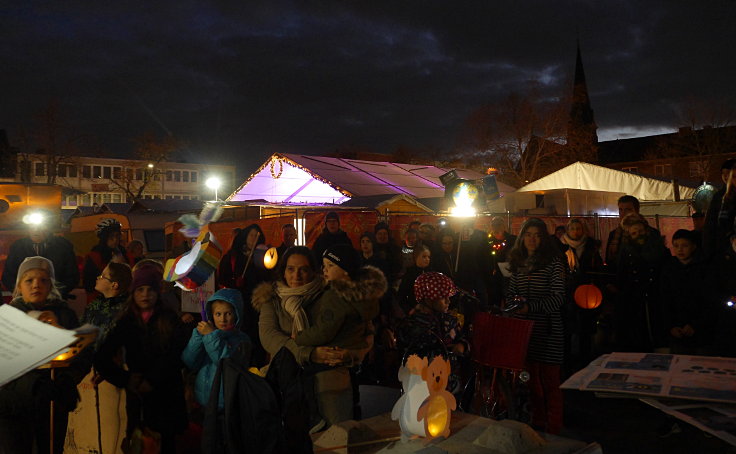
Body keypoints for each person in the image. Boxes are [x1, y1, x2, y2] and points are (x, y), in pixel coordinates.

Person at [253, 246, 380, 428]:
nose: (296, 275)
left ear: (314, 270)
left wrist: (351, 355)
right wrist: (309, 353)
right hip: (288, 382)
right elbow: (269, 337)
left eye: (303, 269)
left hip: (331, 382)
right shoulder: (272, 300)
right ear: (283, 271)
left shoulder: (332, 292)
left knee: (336, 438)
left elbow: (363, 332)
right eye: (290, 269)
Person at [94, 264, 190, 454]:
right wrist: (125, 379)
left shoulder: (169, 318)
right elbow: (102, 355)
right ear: (134, 292)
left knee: (165, 444)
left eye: (150, 290)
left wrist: (152, 380)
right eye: (140, 290)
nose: (145, 295)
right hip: (139, 397)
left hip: (166, 393)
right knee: (139, 445)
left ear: (157, 293)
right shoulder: (126, 321)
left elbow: (175, 355)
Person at [0, 257, 91, 454]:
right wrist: (35, 386)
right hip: (13, 408)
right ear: (19, 286)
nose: (36, 285)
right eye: (29, 280)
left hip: (52, 405)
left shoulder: (65, 315)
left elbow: (82, 354)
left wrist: (67, 380)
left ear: (51, 284)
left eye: (43, 280)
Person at [506, 218, 566, 435]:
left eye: (537, 235)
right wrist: (512, 305)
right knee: (530, 380)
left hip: (548, 330)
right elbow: (512, 292)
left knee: (550, 381)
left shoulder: (554, 263)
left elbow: (558, 297)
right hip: (526, 332)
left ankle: (555, 427)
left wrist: (530, 307)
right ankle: (538, 422)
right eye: (528, 234)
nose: (532, 239)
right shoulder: (519, 263)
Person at [181, 288, 250, 409]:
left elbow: (225, 363)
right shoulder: (209, 335)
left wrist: (211, 336)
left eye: (228, 313)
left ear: (237, 314)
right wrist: (197, 337)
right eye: (218, 314)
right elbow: (190, 361)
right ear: (212, 315)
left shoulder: (241, 340)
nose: (223, 319)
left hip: (225, 403)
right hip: (202, 399)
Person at [613, 213, 670, 352]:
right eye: (634, 233)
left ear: (646, 230)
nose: (638, 235)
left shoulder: (659, 248)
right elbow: (622, 275)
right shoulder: (626, 252)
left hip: (657, 297)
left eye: (640, 231)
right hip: (634, 300)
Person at [217, 223, 270, 366]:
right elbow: (222, 279)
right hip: (239, 304)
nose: (254, 238)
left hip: (258, 304)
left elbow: (269, 277)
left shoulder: (264, 255)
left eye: (256, 235)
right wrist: (235, 284)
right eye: (251, 235)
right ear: (245, 237)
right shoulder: (232, 257)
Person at [660, 229, 716, 355]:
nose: (680, 249)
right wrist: (671, 326)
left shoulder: (704, 269)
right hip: (677, 330)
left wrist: (696, 325)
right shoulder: (669, 269)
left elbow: (709, 300)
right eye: (676, 245)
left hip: (701, 332)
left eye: (684, 245)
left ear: (693, 246)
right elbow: (665, 299)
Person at [559, 218, 604, 368]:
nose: (576, 232)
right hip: (568, 293)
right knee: (569, 327)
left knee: (585, 328)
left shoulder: (591, 247)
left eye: (578, 228)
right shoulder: (561, 246)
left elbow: (597, 268)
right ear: (568, 230)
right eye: (573, 229)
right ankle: (567, 360)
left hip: (587, 292)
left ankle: (586, 360)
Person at [396, 271, 467, 356]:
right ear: (428, 298)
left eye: (448, 296)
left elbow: (463, 338)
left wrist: (462, 345)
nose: (448, 301)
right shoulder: (410, 324)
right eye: (443, 297)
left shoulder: (450, 322)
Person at [2, 222, 79, 298]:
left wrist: (55, 293)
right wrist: (23, 293)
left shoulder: (63, 246)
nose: (36, 230)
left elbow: (72, 276)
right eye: (32, 226)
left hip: (55, 301)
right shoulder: (18, 247)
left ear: (48, 228)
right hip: (25, 302)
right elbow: (8, 276)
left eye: (40, 226)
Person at [81, 262, 133, 349]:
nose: (98, 278)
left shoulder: (123, 310)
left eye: (103, 276)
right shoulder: (95, 304)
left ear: (114, 285)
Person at [83, 218, 128, 295]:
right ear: (104, 238)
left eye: (117, 236)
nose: (115, 240)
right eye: (111, 236)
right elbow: (89, 284)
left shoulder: (124, 253)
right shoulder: (94, 256)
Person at [703, 158, 736, 258]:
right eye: (723, 173)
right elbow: (712, 224)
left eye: (728, 173)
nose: (726, 176)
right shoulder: (721, 197)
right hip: (725, 250)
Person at [488, 216, 517, 307]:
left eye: (499, 225)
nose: (496, 227)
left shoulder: (512, 240)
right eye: (494, 225)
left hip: (509, 275)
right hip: (493, 275)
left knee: (509, 299)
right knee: (495, 300)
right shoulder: (487, 241)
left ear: (504, 226)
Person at [397, 244, 431, 315]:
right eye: (424, 256)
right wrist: (410, 310)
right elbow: (401, 295)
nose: (427, 259)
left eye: (428, 257)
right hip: (415, 311)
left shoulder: (429, 273)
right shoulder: (410, 274)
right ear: (416, 257)